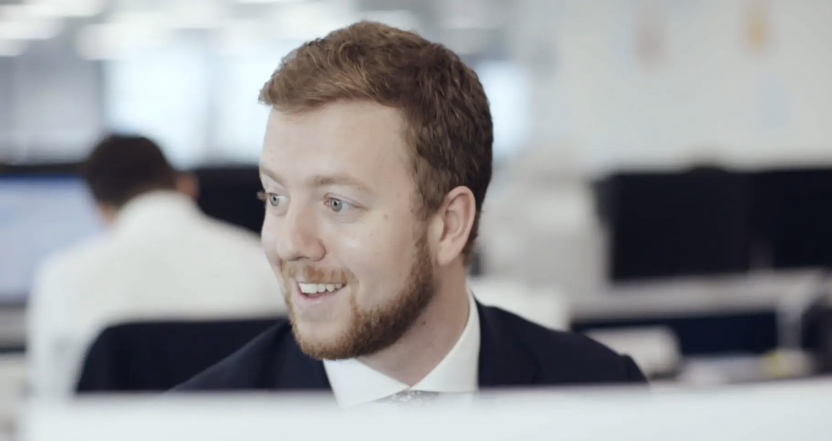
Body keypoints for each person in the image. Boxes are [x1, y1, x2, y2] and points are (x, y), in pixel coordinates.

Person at [176, 22, 646, 404]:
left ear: (450, 225)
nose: (290, 242)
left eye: (337, 203)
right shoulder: (197, 425)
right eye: (275, 199)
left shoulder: (602, 393)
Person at [28, 135, 285, 399]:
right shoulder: (265, 260)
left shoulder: (63, 275)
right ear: (186, 185)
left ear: (102, 209)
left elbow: (52, 402)